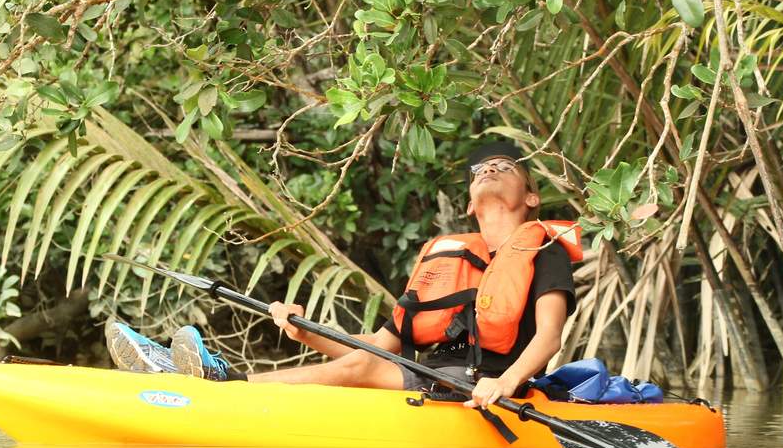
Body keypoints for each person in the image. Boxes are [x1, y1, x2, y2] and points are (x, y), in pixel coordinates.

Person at [162, 140, 578, 409]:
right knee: (364, 360)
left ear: (531, 197)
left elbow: (549, 337)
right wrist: (302, 331)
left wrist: (504, 384)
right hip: (434, 379)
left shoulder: (543, 250)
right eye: (478, 171)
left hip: (486, 388)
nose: (488, 170)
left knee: (361, 368)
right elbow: (381, 347)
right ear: (469, 204)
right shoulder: (445, 259)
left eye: (504, 167)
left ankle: (229, 386)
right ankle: (220, 383)